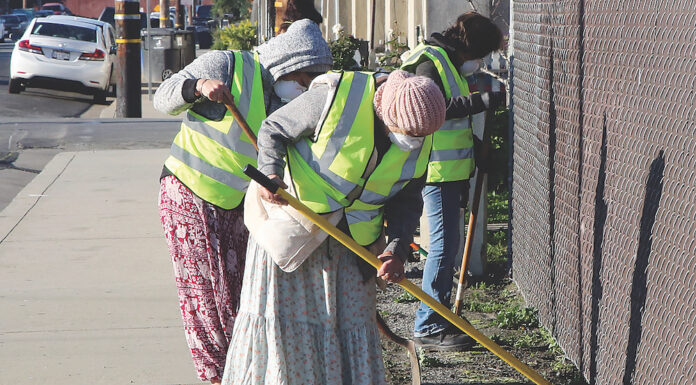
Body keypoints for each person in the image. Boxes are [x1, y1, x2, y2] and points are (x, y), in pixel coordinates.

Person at [220, 70, 446, 385]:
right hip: (295, 231)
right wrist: (270, 173)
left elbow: (407, 199)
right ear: (385, 112)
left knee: (350, 327)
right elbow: (273, 129)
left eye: (420, 137)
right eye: (407, 132)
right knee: (286, 327)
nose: (414, 142)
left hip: (353, 248)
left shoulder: (421, 124)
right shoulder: (337, 97)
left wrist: (397, 249)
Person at [154, 19, 332, 385]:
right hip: (188, 193)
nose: (302, 89)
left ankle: (238, 374)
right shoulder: (228, 65)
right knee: (205, 300)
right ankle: (218, 378)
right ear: (288, 64)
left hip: (236, 207)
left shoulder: (283, 101)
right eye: (302, 79)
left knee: (236, 298)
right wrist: (198, 86)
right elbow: (163, 96)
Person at [400, 11, 505, 351]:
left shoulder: (445, 62)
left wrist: (476, 149)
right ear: (470, 48)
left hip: (450, 170)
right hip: (436, 171)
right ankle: (428, 326)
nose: (478, 63)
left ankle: (440, 314)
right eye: (479, 56)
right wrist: (482, 101)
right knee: (444, 247)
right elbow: (434, 109)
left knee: (449, 246)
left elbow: (450, 125)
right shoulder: (430, 63)